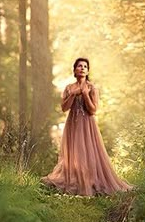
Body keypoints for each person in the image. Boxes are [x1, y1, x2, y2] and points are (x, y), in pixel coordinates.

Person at [42, 58, 133, 196]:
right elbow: (64, 108)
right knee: (74, 152)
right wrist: (73, 94)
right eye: (79, 66)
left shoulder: (92, 88)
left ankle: (90, 182)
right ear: (74, 70)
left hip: (87, 125)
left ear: (88, 70)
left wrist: (85, 94)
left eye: (85, 66)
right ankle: (75, 181)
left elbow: (93, 110)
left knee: (88, 152)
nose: (82, 68)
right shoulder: (69, 88)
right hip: (72, 124)